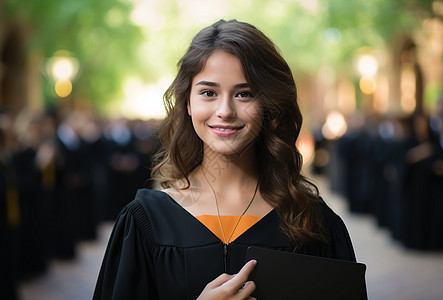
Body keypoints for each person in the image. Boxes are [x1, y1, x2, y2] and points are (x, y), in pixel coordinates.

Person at [94, 19, 366, 299]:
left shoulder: (312, 221)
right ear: (188, 103)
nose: (225, 110)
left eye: (244, 94)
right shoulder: (144, 221)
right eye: (208, 93)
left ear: (268, 106)